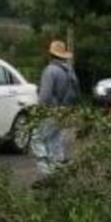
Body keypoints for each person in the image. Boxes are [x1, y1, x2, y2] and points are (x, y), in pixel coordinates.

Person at [32, 40, 80, 175]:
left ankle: (47, 173)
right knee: (55, 140)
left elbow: (45, 96)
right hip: (65, 111)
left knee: (37, 140)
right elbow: (77, 92)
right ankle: (59, 170)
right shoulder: (70, 71)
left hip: (51, 111)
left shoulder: (50, 71)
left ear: (51, 55)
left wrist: (38, 111)